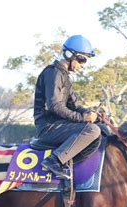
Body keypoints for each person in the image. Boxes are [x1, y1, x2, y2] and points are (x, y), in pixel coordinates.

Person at [33, 35, 101, 179]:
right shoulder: (53, 73)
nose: (83, 65)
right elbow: (55, 106)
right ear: (70, 55)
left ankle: (70, 166)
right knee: (92, 130)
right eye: (82, 60)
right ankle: (54, 161)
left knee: (101, 129)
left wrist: (94, 115)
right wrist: (83, 118)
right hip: (48, 128)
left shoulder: (64, 76)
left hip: (59, 125)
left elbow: (75, 105)